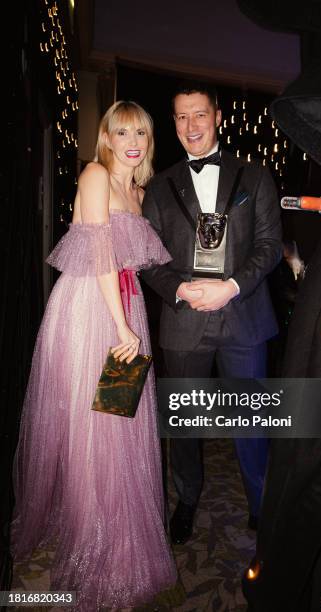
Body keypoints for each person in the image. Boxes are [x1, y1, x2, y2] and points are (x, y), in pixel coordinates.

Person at [11, 101, 182, 610]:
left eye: (142, 134)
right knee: (93, 428)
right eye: (122, 131)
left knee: (118, 425)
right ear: (106, 137)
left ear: (149, 142)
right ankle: (92, 539)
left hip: (123, 308)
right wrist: (122, 324)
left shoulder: (138, 191)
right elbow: (102, 253)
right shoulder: (95, 175)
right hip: (90, 311)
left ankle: (118, 530)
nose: (133, 141)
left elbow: (137, 264)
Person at [142, 81, 282, 545]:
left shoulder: (256, 176)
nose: (190, 126)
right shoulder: (159, 187)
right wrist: (179, 288)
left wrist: (232, 287)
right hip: (183, 322)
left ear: (217, 116)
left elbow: (269, 247)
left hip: (243, 316)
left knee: (250, 421)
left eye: (199, 114)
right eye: (181, 117)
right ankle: (187, 499)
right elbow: (149, 258)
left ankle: (261, 505)